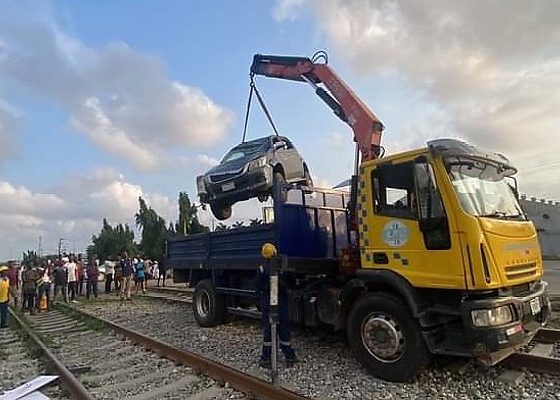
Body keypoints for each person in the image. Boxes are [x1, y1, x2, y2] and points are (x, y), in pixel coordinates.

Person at [256, 243, 297, 368]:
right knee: (284, 328)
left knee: (268, 330)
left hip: (267, 301)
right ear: (274, 253)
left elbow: (258, 286)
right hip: (281, 300)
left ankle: (266, 358)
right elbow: (291, 283)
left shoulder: (261, 269)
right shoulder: (281, 268)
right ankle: (289, 356)